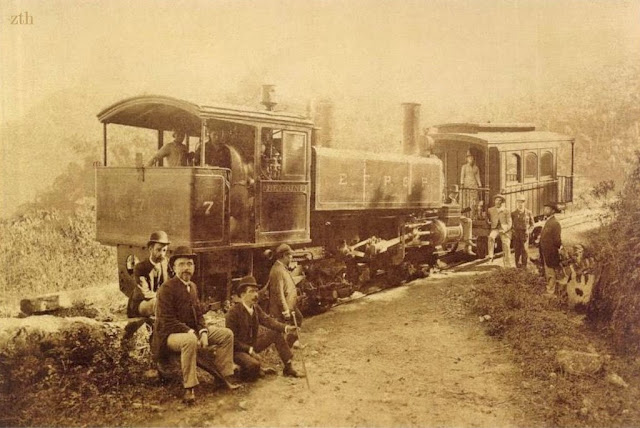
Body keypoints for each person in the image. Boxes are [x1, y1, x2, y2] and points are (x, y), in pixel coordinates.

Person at [150, 246, 236, 404]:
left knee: (226, 334)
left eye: (189, 264)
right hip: (168, 336)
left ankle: (222, 378)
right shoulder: (166, 289)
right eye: (181, 264)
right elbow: (166, 320)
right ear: (174, 267)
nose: (186, 268)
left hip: (191, 332)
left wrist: (203, 332)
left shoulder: (193, 287)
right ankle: (189, 388)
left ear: (194, 267)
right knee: (189, 341)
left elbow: (198, 314)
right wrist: (190, 332)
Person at [225, 275, 304, 380]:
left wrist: (286, 328)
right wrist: (249, 350)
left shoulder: (255, 308)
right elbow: (233, 341)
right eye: (251, 291)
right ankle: (243, 370)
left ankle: (288, 367)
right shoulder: (233, 313)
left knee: (275, 333)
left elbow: (268, 321)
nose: (256, 295)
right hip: (238, 351)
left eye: (256, 291)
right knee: (253, 366)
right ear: (243, 294)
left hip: (252, 345)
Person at [127, 231, 171, 318]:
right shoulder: (140, 267)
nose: (162, 254)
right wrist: (164, 297)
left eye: (164, 250)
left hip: (161, 300)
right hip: (142, 303)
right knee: (157, 303)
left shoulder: (166, 262)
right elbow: (145, 293)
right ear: (150, 249)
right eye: (158, 250)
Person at [267, 244, 304, 346]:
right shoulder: (277, 270)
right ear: (284, 256)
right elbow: (279, 293)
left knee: (298, 318)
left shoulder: (281, 267)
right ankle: (285, 345)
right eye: (290, 255)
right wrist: (285, 309)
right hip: (283, 306)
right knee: (280, 328)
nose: (291, 258)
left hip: (289, 303)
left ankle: (290, 342)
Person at [539, 202, 563, 295]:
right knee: (548, 271)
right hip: (545, 251)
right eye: (545, 208)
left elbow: (557, 240)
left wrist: (558, 248)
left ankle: (551, 291)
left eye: (547, 209)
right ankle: (550, 288)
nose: (545, 210)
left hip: (550, 252)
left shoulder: (555, 223)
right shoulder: (549, 221)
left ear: (553, 211)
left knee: (550, 272)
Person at [445, 186, 475, 256]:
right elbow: (449, 211)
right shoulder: (447, 200)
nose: (456, 195)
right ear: (450, 193)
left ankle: (468, 245)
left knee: (468, 221)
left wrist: (467, 209)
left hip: (456, 217)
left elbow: (458, 211)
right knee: (468, 221)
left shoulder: (454, 200)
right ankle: (467, 239)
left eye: (456, 193)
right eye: (454, 193)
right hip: (451, 218)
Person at [486, 194, 513, 267]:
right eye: (496, 200)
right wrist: (488, 221)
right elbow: (486, 218)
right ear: (494, 201)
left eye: (499, 200)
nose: (497, 202)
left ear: (502, 202)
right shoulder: (490, 210)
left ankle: (507, 263)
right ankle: (490, 257)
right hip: (495, 229)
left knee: (506, 244)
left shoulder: (506, 210)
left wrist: (505, 230)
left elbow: (509, 222)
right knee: (491, 237)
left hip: (504, 229)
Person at [511, 195, 535, 268]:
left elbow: (532, 224)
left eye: (522, 202)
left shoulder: (528, 212)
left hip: (525, 234)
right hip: (516, 235)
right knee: (517, 250)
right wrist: (513, 232)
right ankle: (517, 266)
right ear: (516, 203)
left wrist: (529, 231)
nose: (520, 204)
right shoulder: (513, 214)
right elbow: (510, 225)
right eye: (519, 202)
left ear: (524, 203)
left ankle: (524, 266)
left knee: (525, 250)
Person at [459, 150, 482, 218]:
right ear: (467, 159)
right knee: (466, 201)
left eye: (472, 158)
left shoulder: (476, 168)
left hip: (474, 186)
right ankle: (465, 215)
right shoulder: (464, 167)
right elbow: (462, 176)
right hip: (466, 185)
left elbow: (477, 177)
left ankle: (472, 216)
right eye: (469, 158)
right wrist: (462, 184)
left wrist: (480, 185)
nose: (471, 159)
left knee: (473, 201)